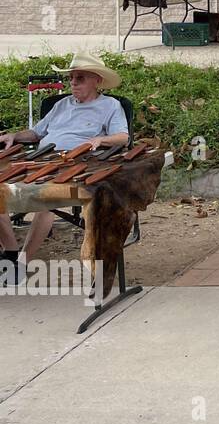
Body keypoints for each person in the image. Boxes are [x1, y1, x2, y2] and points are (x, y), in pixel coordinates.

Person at [0, 53, 130, 273]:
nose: (73, 82)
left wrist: (101, 139)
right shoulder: (61, 104)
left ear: (96, 80)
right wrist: (14, 136)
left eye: (80, 78)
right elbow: (36, 133)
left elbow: (123, 138)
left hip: (77, 164)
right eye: (71, 78)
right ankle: (11, 252)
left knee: (47, 201)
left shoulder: (110, 106)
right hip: (42, 159)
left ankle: (21, 265)